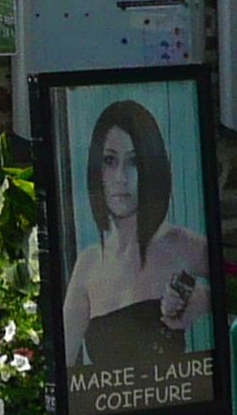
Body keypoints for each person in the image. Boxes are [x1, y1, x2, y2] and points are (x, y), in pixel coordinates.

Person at [61, 98, 210, 373]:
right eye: (109, 161)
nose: (121, 178)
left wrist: (205, 299)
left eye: (134, 162)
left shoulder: (182, 244)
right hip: (112, 411)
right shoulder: (89, 264)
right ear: (97, 169)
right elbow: (63, 367)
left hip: (177, 408)